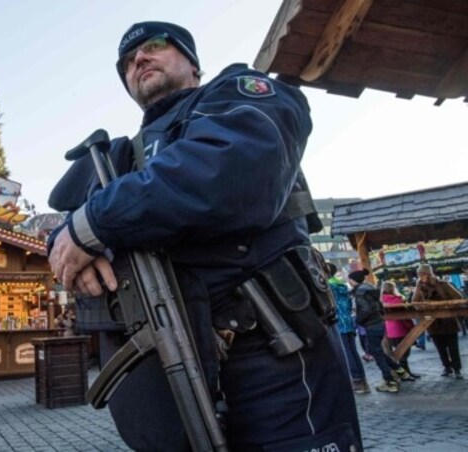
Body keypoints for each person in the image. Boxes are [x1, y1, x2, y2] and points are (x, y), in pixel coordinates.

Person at [47, 21, 361, 451]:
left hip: (278, 358)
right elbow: (65, 227)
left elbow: (234, 168)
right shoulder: (121, 158)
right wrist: (70, 245)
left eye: (154, 46)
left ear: (192, 63)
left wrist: (94, 224)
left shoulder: (239, 94)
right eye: (127, 62)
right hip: (178, 365)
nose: (138, 59)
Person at [349, 269, 411, 393]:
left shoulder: (361, 293)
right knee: (377, 351)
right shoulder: (370, 290)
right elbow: (379, 306)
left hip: (371, 325)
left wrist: (358, 320)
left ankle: (390, 382)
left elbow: (365, 309)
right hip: (378, 323)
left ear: (353, 280)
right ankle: (399, 370)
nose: (348, 282)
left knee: (377, 354)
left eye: (349, 279)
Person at [412, 263, 463, 379]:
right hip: (432, 322)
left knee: (453, 347)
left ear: (429, 273)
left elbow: (458, 296)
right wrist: (424, 307)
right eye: (420, 274)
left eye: (424, 273)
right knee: (440, 348)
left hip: (448, 320)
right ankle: (447, 367)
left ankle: (457, 369)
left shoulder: (443, 284)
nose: (422, 276)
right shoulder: (419, 288)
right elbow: (415, 302)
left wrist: (446, 306)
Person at [327, 263, 369, 394]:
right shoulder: (342, 286)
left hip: (339, 324)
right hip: (348, 323)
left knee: (347, 354)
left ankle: (357, 382)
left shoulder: (329, 287)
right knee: (353, 352)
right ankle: (362, 381)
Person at [381, 281, 418, 378]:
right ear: (393, 289)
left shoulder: (381, 300)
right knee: (404, 352)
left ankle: (401, 372)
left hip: (389, 330)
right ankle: (405, 372)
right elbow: (405, 315)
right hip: (400, 328)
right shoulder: (398, 299)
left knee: (395, 352)